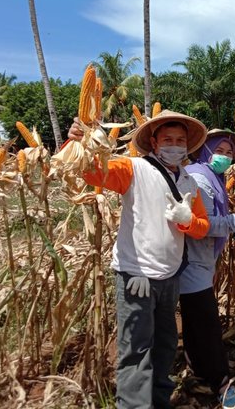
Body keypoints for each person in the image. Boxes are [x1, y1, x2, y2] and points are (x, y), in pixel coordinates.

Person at [67, 110, 210, 409]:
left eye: (180, 140)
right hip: (137, 277)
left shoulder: (188, 182)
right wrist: (77, 145)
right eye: (168, 139)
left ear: (187, 145)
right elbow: (90, 171)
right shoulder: (133, 168)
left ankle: (158, 401)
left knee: (165, 345)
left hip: (169, 277)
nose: (175, 145)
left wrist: (186, 221)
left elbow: (202, 227)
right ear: (155, 144)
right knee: (135, 350)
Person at [181, 129, 235, 408]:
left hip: (200, 262)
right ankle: (221, 383)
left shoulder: (210, 176)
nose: (225, 156)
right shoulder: (199, 178)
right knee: (207, 324)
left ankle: (198, 373)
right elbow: (205, 227)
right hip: (191, 262)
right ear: (205, 150)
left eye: (229, 153)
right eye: (220, 150)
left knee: (196, 322)